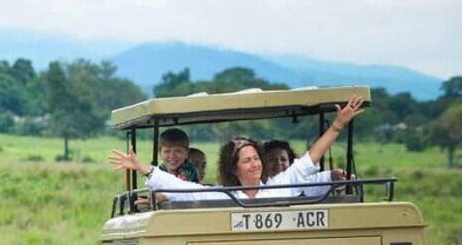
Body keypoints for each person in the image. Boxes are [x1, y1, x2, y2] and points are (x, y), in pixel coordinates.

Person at [109, 95, 365, 202]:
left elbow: (310, 160)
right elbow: (185, 190)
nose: (255, 164)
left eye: (256, 158)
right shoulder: (223, 197)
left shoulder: (279, 186)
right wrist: (142, 167)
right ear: (234, 168)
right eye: (247, 161)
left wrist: (337, 126)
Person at [263, 139, 352, 182]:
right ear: (263, 163)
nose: (278, 163)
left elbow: (317, 181)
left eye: (283, 159)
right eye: (272, 160)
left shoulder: (297, 180)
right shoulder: (257, 186)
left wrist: (335, 174)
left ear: (290, 162)